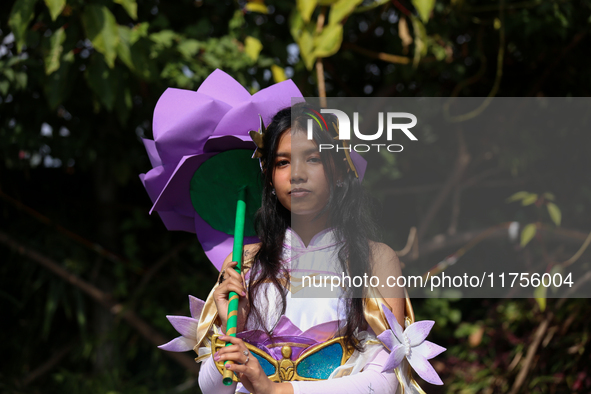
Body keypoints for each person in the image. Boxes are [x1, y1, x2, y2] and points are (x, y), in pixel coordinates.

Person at [196, 102, 407, 394]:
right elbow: (213, 390)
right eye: (283, 162)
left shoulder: (377, 259)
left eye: (312, 159)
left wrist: (276, 391)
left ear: (338, 171)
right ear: (269, 178)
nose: (296, 174)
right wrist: (232, 325)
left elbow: (386, 379)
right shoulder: (242, 263)